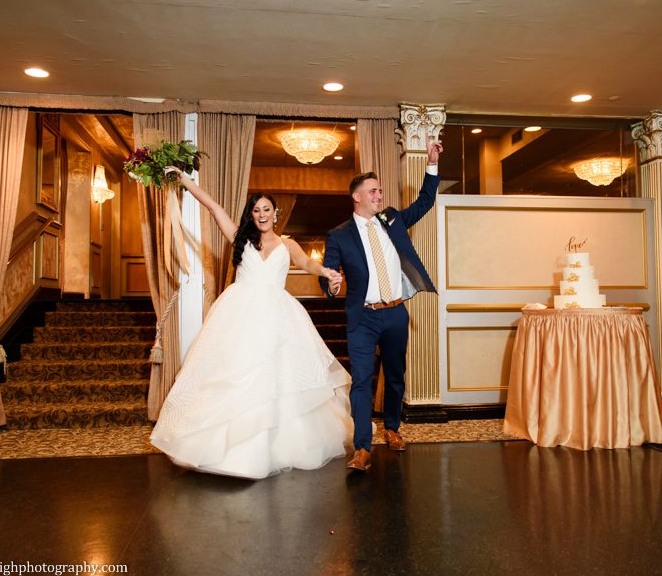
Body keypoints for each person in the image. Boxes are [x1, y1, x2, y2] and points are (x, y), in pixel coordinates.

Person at [151, 175, 353, 479]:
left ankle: (278, 445)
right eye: (257, 210)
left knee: (281, 378)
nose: (262, 215)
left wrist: (327, 272)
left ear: (276, 213)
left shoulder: (288, 244)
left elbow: (310, 265)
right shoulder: (239, 238)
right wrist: (186, 182)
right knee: (235, 374)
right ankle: (229, 448)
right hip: (238, 317)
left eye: (267, 209)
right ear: (252, 214)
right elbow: (213, 207)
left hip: (279, 316)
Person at [320, 136, 443, 471]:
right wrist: (331, 283)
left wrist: (431, 163)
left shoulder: (392, 220)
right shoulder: (339, 234)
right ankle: (362, 448)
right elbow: (327, 271)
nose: (379, 195)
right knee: (361, 380)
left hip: (395, 314)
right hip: (364, 318)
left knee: (396, 374)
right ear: (357, 197)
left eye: (380, 191)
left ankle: (392, 428)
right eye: (373, 191)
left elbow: (425, 201)